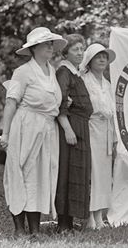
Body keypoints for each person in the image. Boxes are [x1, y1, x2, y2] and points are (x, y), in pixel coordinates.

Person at [0, 27, 67, 235]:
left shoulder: (52, 71)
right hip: (25, 128)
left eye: (51, 43)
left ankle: (35, 230)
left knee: (39, 177)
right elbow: (11, 103)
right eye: (46, 43)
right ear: (34, 48)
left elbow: (51, 101)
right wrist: (6, 133)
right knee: (20, 174)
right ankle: (20, 230)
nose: (50, 47)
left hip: (46, 130)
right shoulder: (23, 72)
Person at [54, 34, 93, 232]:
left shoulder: (75, 73)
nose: (80, 53)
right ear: (66, 52)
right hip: (70, 127)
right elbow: (60, 102)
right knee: (67, 173)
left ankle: (69, 222)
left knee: (77, 173)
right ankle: (63, 224)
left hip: (81, 127)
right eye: (76, 49)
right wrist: (68, 129)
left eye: (82, 48)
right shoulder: (63, 71)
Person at [79, 43, 117, 229]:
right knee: (91, 173)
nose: (102, 60)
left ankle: (100, 214)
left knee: (103, 174)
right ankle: (89, 217)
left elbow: (112, 112)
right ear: (90, 60)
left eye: (104, 56)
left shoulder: (108, 84)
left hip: (106, 132)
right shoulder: (84, 80)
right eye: (98, 56)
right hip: (91, 128)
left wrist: (115, 137)